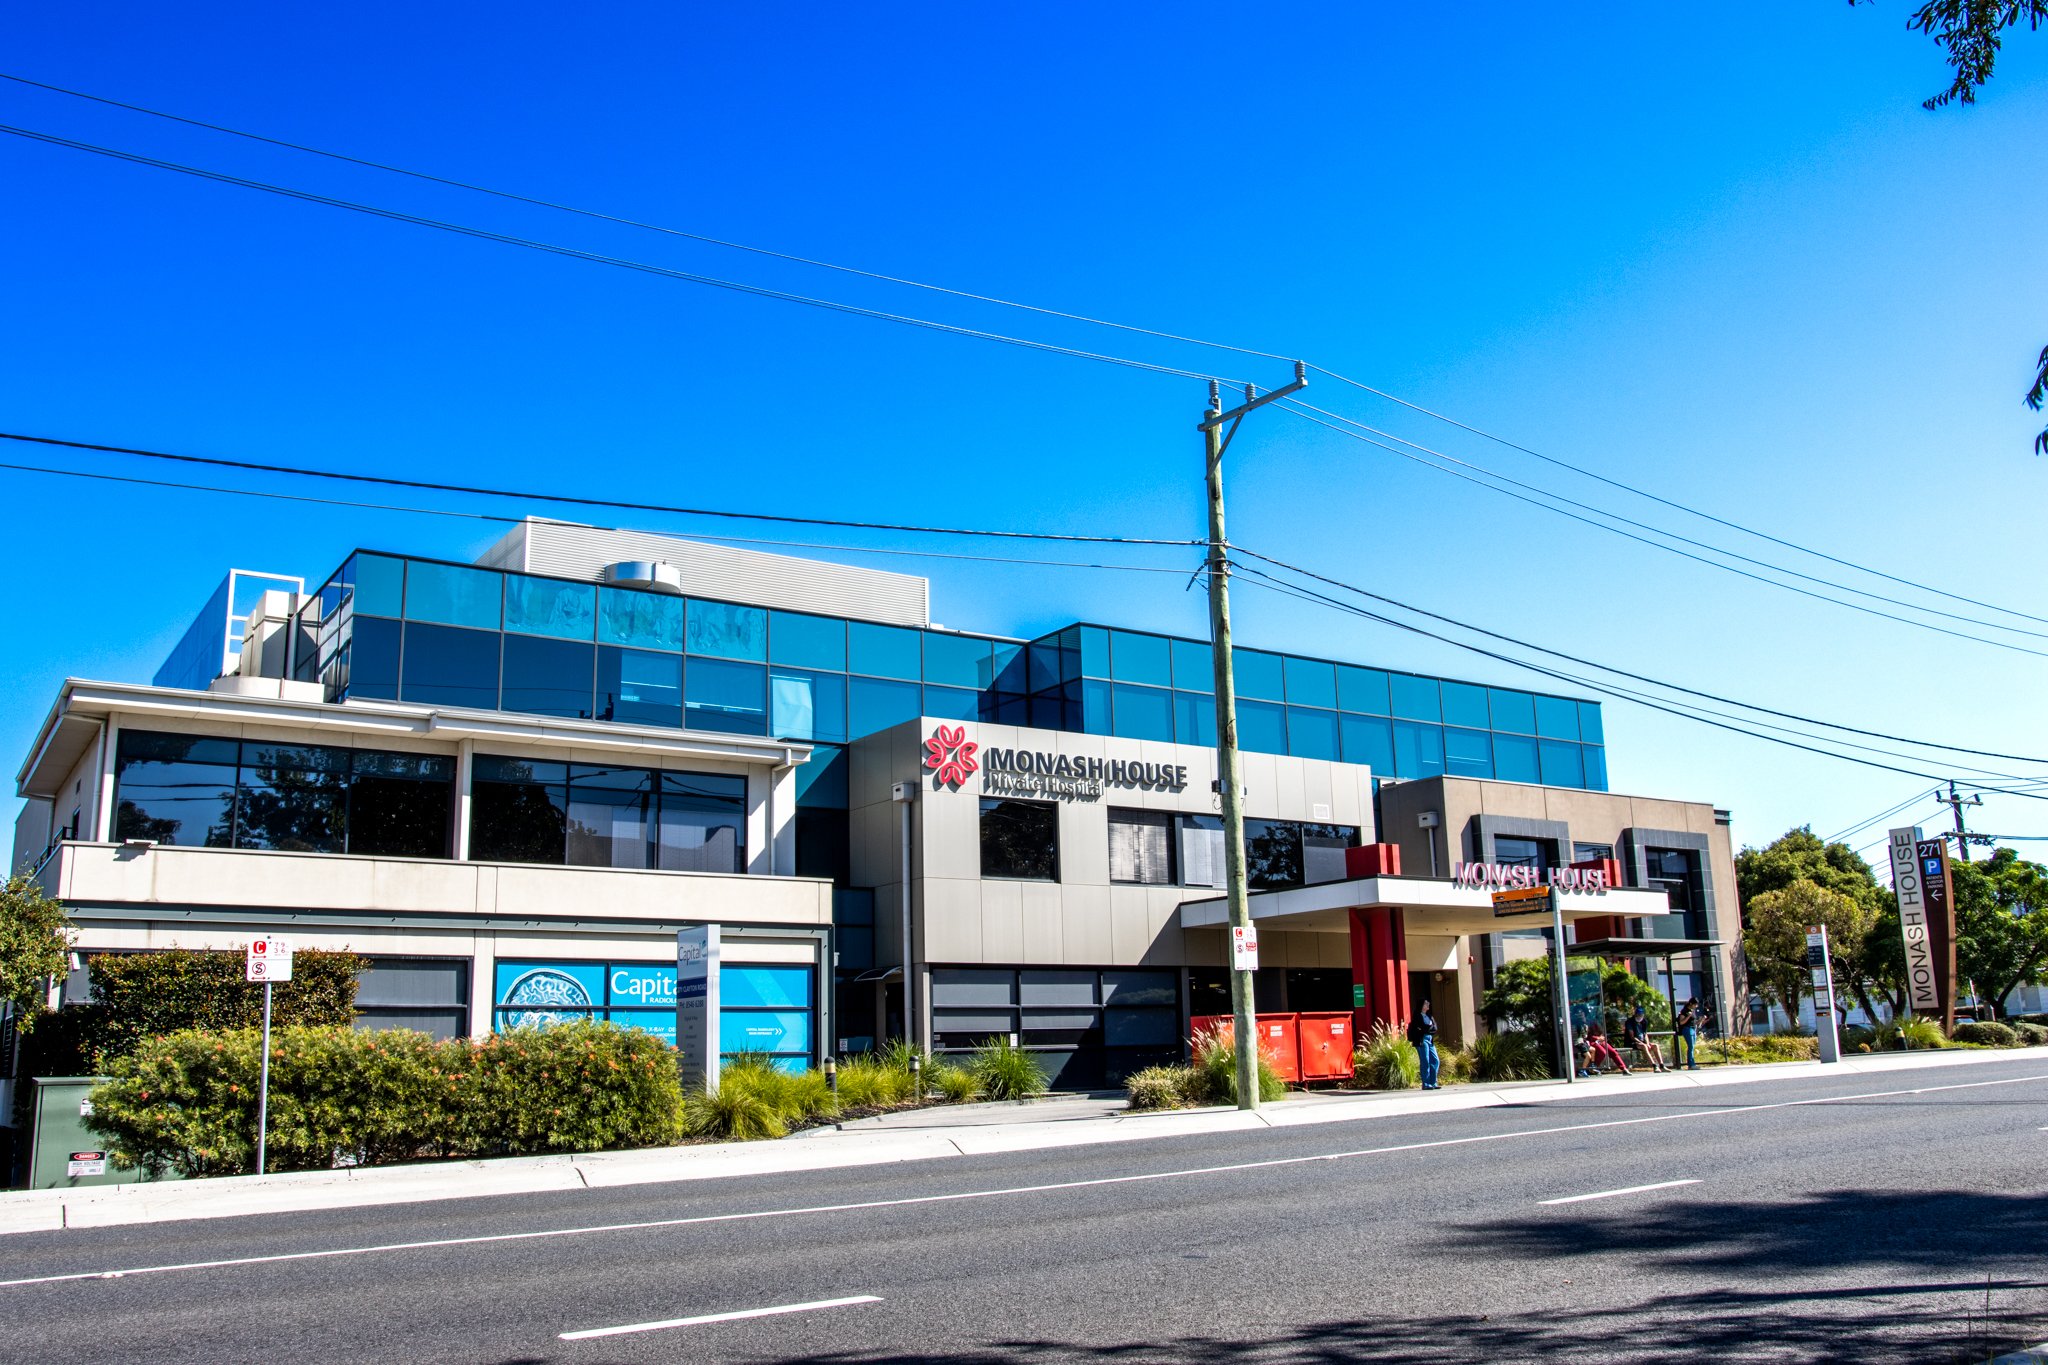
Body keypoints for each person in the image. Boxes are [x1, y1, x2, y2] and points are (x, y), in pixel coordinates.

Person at [1623, 1004, 1668, 1072]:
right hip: (1632, 1042)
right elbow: (1632, 1036)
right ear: (1635, 1014)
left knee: (1655, 1046)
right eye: (1638, 1015)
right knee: (1644, 1046)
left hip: (1642, 1041)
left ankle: (1662, 1065)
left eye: (1641, 1015)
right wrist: (1643, 1043)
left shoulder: (1644, 1021)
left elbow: (1645, 1034)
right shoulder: (1629, 1022)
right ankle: (1654, 1066)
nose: (1640, 1017)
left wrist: (1647, 1043)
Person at [1411, 999, 1442, 1089]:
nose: (1428, 1005)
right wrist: (1427, 1028)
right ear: (1421, 1005)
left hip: (1430, 1039)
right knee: (1425, 1061)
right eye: (1425, 1004)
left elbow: (1435, 1027)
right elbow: (1419, 1027)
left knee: (1435, 1060)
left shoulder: (1429, 1015)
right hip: (1422, 1039)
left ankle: (1433, 1082)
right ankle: (1426, 1083)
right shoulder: (1417, 1016)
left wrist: (1427, 1028)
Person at [1673, 997, 1702, 1070]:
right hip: (1687, 1029)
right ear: (1691, 1003)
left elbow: (1694, 1022)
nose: (1696, 1006)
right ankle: (1691, 1064)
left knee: (1692, 1046)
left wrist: (1701, 1020)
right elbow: (1681, 1022)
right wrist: (1689, 1016)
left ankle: (1692, 1063)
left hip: (1693, 1028)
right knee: (1691, 1046)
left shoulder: (1692, 1011)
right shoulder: (1684, 1011)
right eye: (1695, 1005)